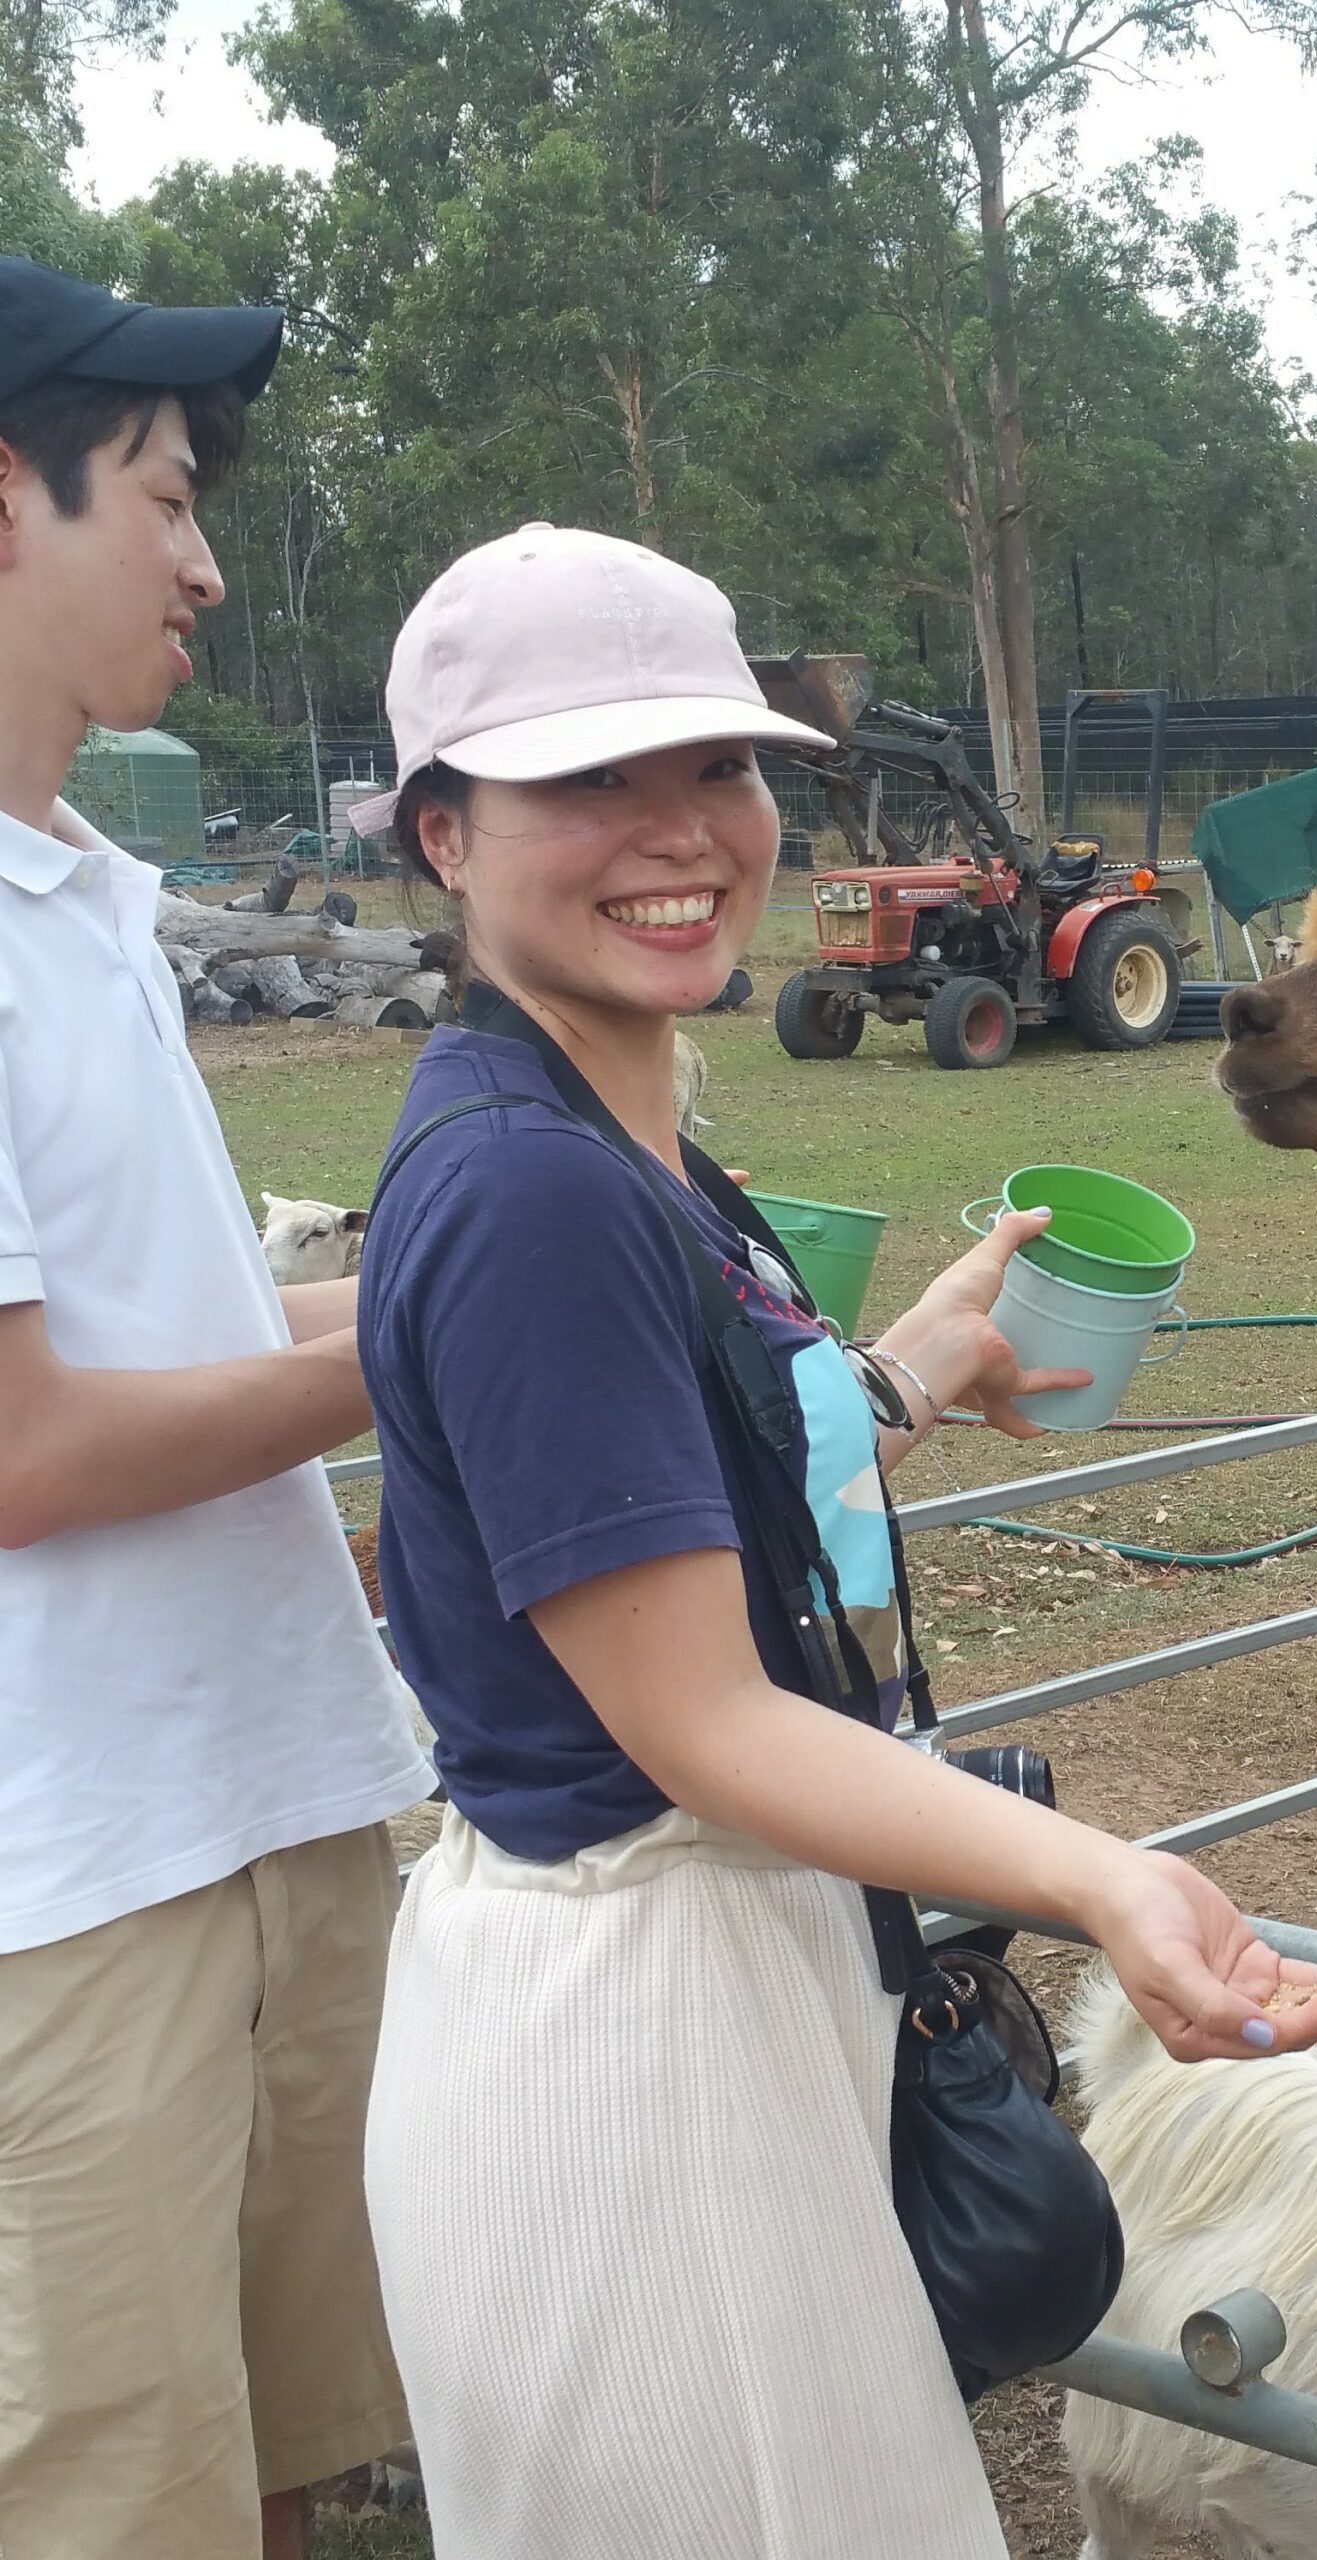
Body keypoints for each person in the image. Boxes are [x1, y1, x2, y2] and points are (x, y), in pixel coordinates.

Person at [352, 522, 1317, 2558]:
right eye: (589, 780)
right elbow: (702, 1720)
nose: (682, 832)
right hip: (640, 2026)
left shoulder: (615, 1124)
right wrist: (1103, 1876)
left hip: (717, 1964)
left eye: (717, 767)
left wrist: (883, 1383)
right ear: (444, 832)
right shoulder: (530, 1188)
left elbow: (670, 1498)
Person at [0, 259, 438, 2559]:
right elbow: (26, 1450)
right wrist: (427, 1334)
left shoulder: (76, 893)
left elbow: (174, 1320)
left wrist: (496, 1258)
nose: (204, 559)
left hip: (270, 1792)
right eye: (164, 500)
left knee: (284, 2463)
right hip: (67, 1891)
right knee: (113, 2496)